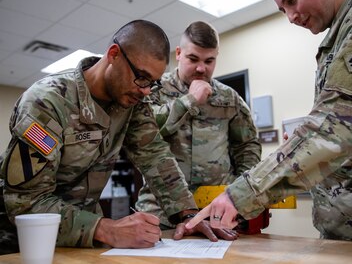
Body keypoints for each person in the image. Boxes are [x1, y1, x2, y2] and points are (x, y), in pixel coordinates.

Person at [186, 0, 352, 247]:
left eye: (291, 0)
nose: (291, 17)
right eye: (283, 10)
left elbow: (338, 127)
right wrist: (301, 143)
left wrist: (243, 193)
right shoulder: (340, 37)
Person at [0, 19, 236, 255]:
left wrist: (187, 215)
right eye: (141, 77)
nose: (145, 90)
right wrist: (107, 229)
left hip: (85, 239)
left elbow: (155, 156)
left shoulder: (132, 103)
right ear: (114, 54)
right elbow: (26, 203)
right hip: (20, 242)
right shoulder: (48, 102)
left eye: (151, 83)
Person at [136, 21, 261, 230]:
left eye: (209, 61)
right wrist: (189, 100)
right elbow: (143, 133)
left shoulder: (229, 98)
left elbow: (247, 146)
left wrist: (239, 193)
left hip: (216, 211)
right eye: (193, 59)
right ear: (178, 53)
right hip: (162, 211)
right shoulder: (153, 90)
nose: (201, 68)